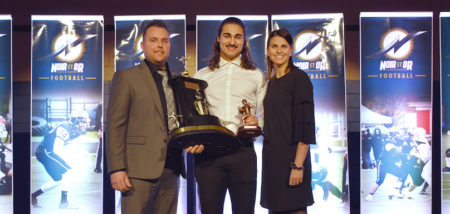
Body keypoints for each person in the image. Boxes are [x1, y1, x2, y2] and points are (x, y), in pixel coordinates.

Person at [107, 20, 203, 214]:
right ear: (142, 45)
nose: (159, 45)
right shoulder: (126, 77)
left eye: (164, 41)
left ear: (169, 45)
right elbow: (115, 126)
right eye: (153, 40)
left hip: (172, 168)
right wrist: (116, 168)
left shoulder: (179, 80)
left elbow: (184, 121)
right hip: (137, 172)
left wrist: (194, 139)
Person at [193, 17, 267, 214]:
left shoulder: (257, 75)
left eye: (237, 37)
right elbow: (193, 117)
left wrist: (256, 123)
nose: (232, 42)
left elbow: (265, 118)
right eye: (227, 36)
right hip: (209, 157)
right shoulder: (201, 76)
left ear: (244, 41)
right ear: (218, 38)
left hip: (242, 154)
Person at [260, 28, 315, 214]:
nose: (279, 50)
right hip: (272, 163)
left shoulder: (300, 78)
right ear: (267, 50)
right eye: (274, 46)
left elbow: (306, 126)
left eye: (284, 46)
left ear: (291, 51)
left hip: (293, 162)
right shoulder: (271, 82)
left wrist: (298, 166)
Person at [31, 110, 90, 208]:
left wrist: (81, 152)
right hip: (46, 152)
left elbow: (68, 145)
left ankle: (33, 195)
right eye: (82, 121)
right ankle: (63, 203)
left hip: (47, 152)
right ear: (75, 120)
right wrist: (70, 159)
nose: (85, 124)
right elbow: (57, 150)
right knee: (67, 172)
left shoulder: (74, 130)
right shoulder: (65, 128)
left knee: (58, 180)